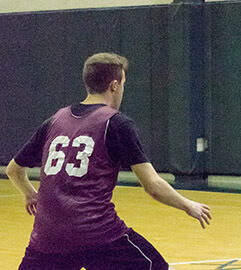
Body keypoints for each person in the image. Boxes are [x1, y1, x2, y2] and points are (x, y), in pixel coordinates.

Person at [5, 53, 212, 270]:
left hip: (48, 237)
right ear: (114, 85)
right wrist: (189, 205)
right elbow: (153, 187)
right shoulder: (116, 123)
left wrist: (29, 193)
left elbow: (13, 170)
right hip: (98, 235)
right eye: (123, 83)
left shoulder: (55, 120)